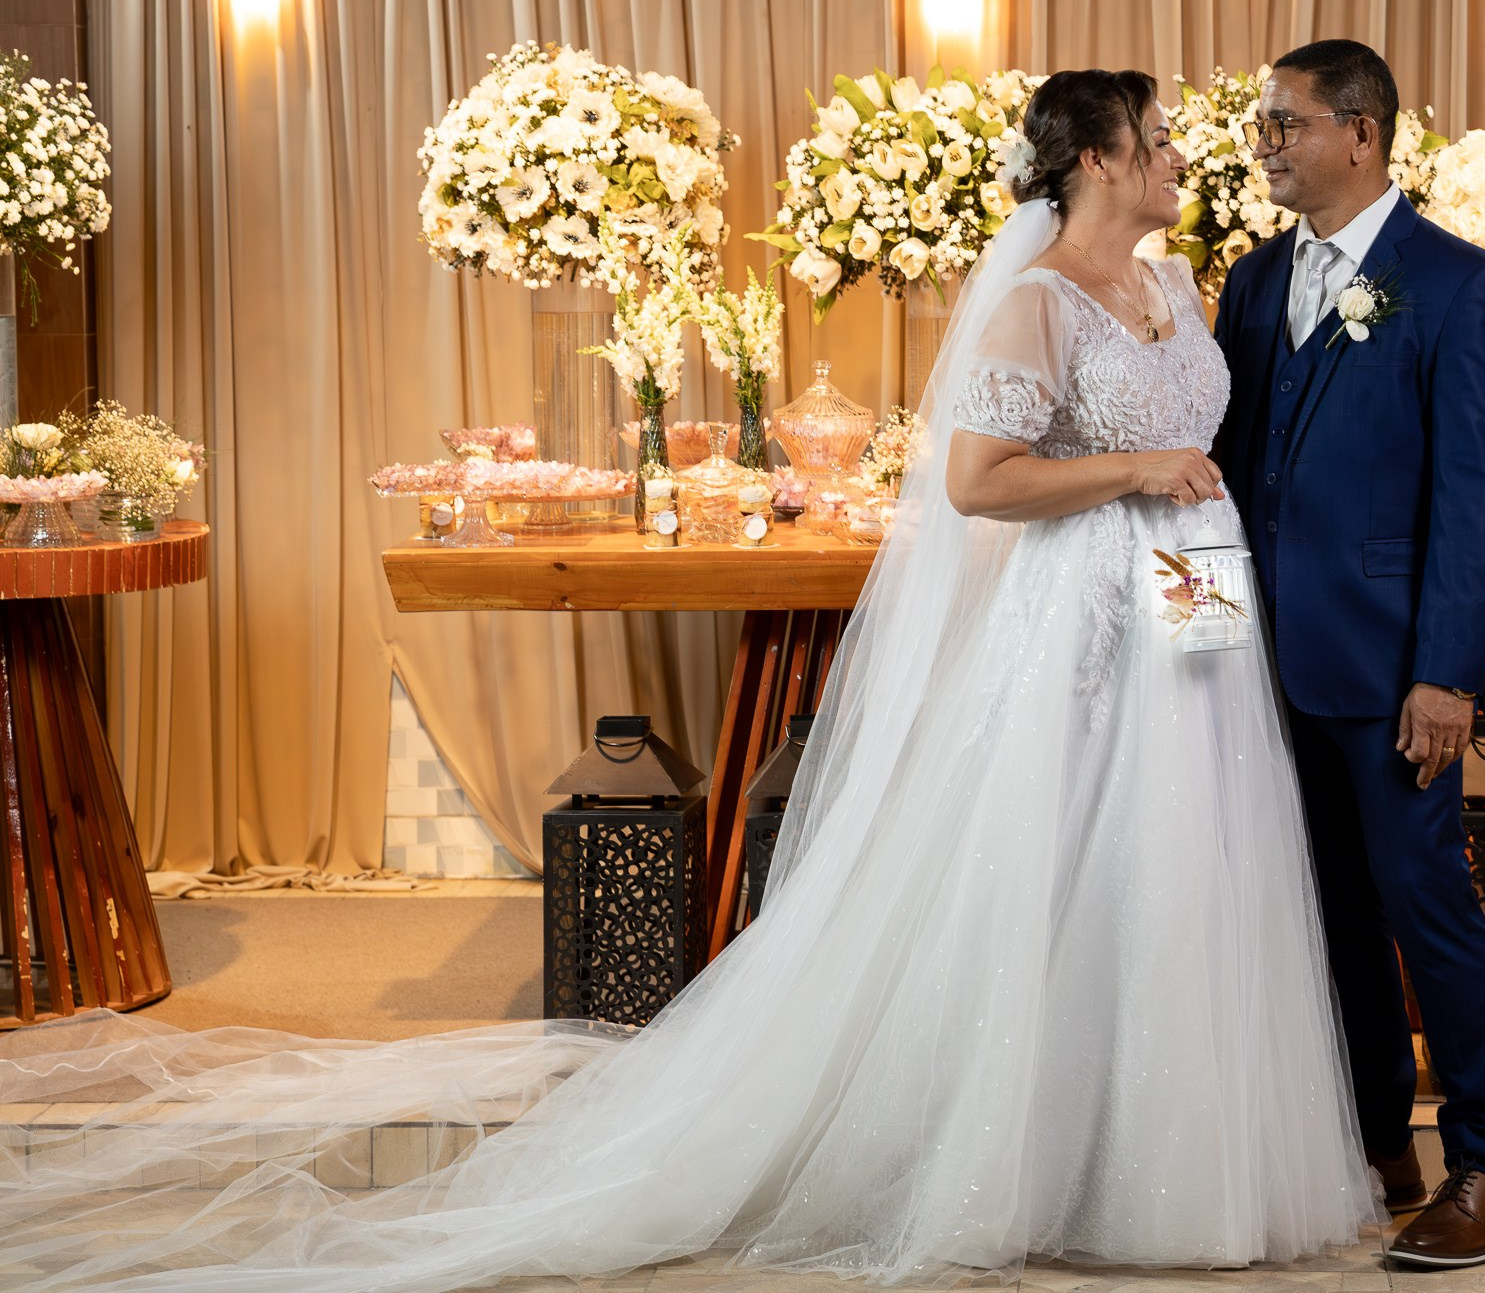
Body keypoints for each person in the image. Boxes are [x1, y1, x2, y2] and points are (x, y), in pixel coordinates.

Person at [0, 69, 1379, 1291]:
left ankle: (1160, 1156)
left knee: (1176, 872)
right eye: (1154, 142)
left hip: (1193, 609)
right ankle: (1020, 1159)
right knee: (1050, 873)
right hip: (1075, 618)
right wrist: (1136, 470)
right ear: (1095, 162)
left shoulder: (1181, 284)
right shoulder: (1033, 302)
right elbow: (978, 481)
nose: (1182, 160)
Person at [1210, 38, 1485, 1269]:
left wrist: (1445, 673)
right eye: (1262, 127)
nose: (1265, 146)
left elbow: (1472, 499)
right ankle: (1371, 1137)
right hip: (1263, 664)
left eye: (1283, 125)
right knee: (1325, 909)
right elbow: (1235, 478)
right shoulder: (1249, 285)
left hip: (1397, 670)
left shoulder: (1459, 285)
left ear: (1360, 132)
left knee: (1422, 901)